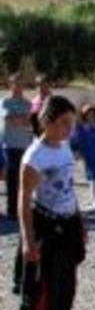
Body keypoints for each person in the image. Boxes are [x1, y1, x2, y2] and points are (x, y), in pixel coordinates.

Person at [17, 96, 90, 310]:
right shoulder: (34, 157)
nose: (68, 129)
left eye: (71, 123)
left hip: (68, 226)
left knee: (66, 292)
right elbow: (23, 202)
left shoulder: (64, 148)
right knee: (44, 298)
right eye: (63, 123)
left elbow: (69, 189)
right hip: (45, 229)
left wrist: (80, 222)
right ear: (47, 121)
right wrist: (28, 241)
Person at [2, 76, 33, 219]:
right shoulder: (5, 102)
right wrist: (21, 119)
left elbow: (29, 122)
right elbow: (9, 119)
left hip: (25, 146)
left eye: (21, 84)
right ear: (11, 85)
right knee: (12, 179)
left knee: (25, 179)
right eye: (16, 84)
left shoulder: (28, 103)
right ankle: (12, 209)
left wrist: (18, 118)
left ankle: (24, 208)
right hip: (10, 145)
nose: (19, 87)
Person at [73, 106, 95, 211]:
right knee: (91, 179)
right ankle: (94, 201)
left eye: (93, 114)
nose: (91, 116)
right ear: (85, 115)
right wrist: (79, 152)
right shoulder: (82, 128)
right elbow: (77, 141)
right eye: (88, 114)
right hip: (89, 156)